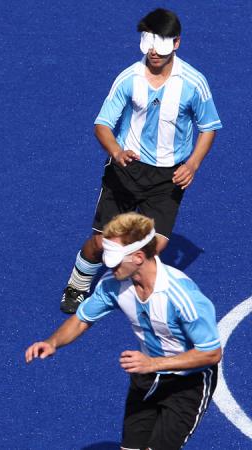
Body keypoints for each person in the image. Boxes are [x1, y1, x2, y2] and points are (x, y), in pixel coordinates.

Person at [60, 8, 222, 314]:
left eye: (161, 41)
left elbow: (209, 126)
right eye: (148, 40)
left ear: (176, 43)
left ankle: (118, 288)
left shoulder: (193, 83)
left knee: (153, 248)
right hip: (126, 171)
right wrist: (117, 153)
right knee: (102, 244)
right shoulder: (128, 79)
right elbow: (102, 125)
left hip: (168, 178)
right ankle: (77, 285)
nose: (153, 49)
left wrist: (193, 164)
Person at [27, 213, 222, 449]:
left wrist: (152, 364)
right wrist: (53, 342)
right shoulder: (113, 284)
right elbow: (81, 319)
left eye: (115, 260)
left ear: (138, 257)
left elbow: (210, 353)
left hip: (188, 382)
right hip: (146, 373)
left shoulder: (183, 297)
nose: (109, 266)